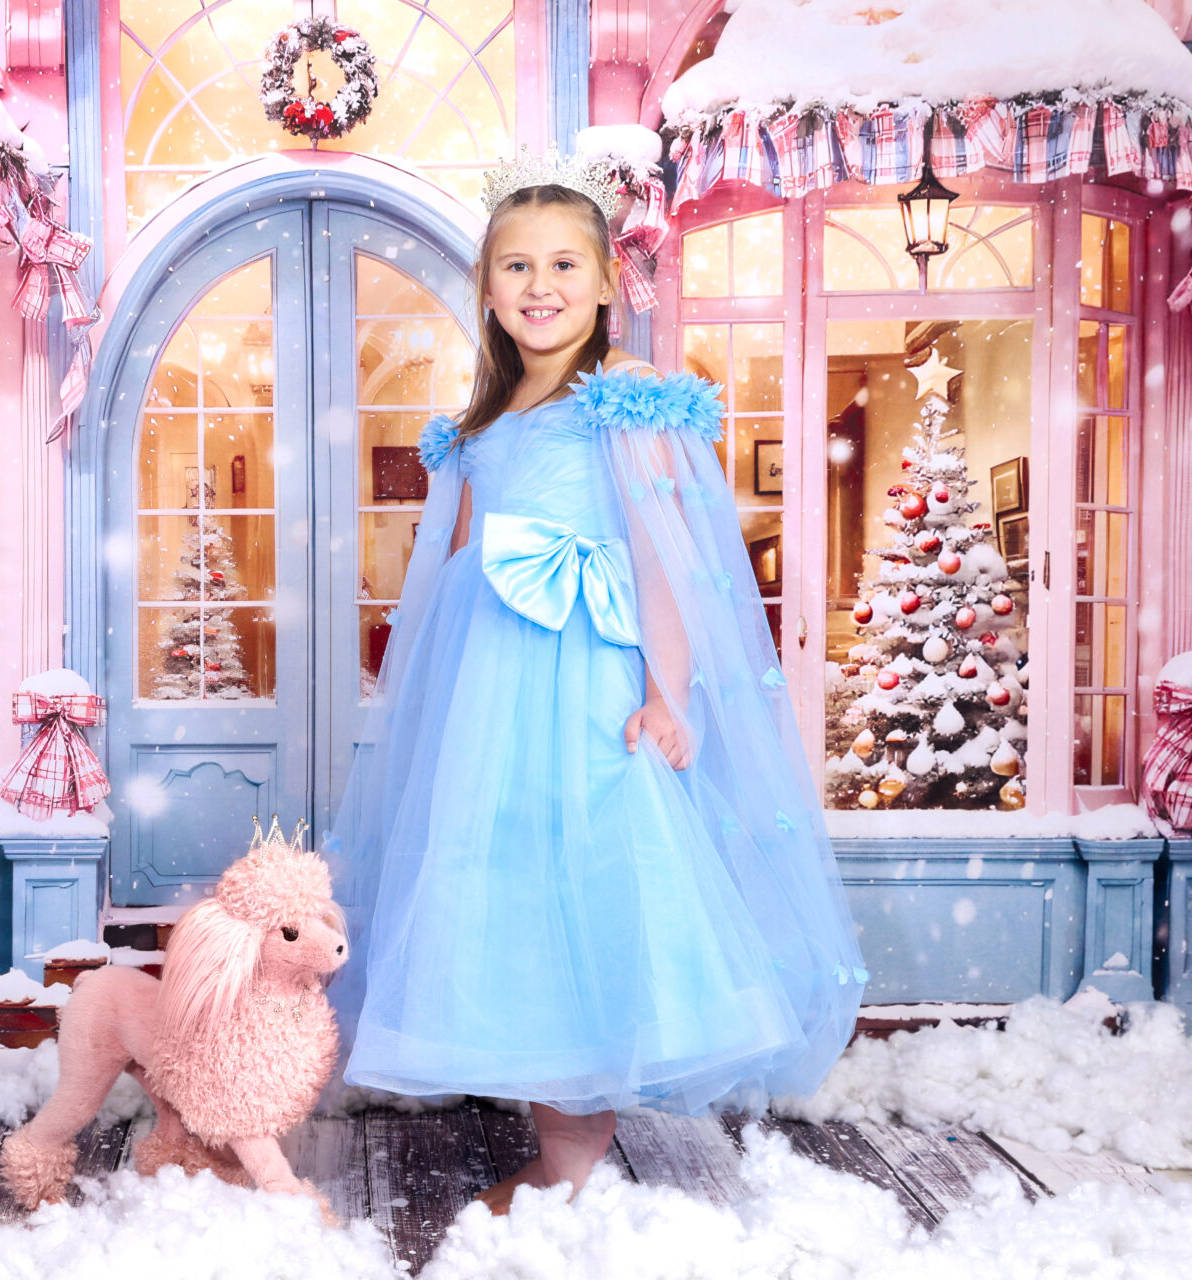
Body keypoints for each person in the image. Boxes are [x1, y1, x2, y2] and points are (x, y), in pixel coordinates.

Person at [322, 156, 868, 1215]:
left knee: (597, 877)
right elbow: (465, 565)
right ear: (486, 287)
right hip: (494, 686)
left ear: (610, 280)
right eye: (517, 265)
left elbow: (671, 561)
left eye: (565, 262)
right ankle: (559, 1141)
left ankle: (577, 1140)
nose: (541, 284)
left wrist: (670, 690)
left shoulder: (625, 406)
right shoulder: (486, 422)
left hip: (586, 678)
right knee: (513, 881)